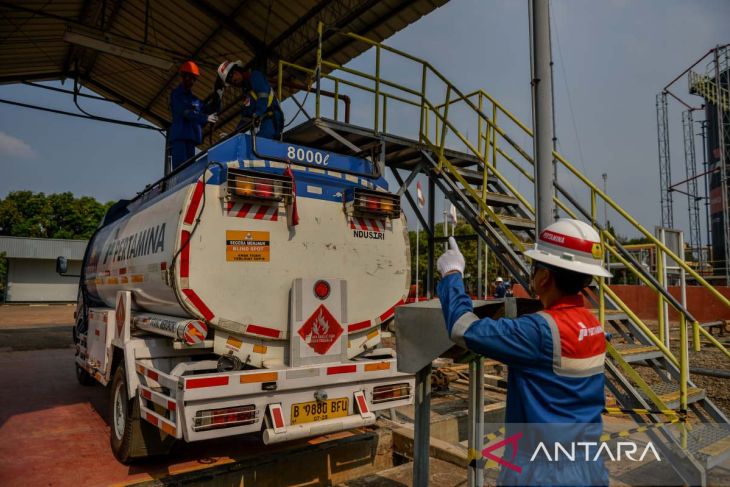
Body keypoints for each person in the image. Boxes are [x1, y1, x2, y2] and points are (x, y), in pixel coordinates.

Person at [436, 218, 612, 486]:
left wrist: (452, 275)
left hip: (543, 473)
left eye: (535, 267)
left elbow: (462, 328)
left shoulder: (539, 331)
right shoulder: (592, 325)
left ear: (544, 277)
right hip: (588, 466)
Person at [168, 61, 218, 171]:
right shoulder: (176, 95)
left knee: (190, 171)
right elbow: (185, 112)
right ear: (183, 76)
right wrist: (205, 117)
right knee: (180, 171)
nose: (191, 81)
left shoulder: (195, 101)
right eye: (189, 77)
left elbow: (210, 110)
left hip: (191, 139)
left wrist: (218, 96)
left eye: (194, 79)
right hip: (180, 138)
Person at [216, 60, 284, 140]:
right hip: (264, 120)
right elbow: (246, 117)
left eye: (232, 75)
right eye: (229, 80)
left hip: (272, 118)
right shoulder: (247, 93)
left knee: (260, 143)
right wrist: (233, 136)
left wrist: (257, 114)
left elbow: (263, 96)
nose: (232, 80)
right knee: (250, 144)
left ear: (238, 70)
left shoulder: (255, 76)